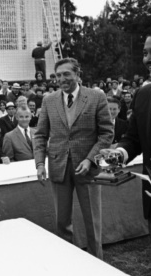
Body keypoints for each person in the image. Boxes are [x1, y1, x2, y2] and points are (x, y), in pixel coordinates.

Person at [100, 23, 151, 276]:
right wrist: (120, 153)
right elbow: (135, 138)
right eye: (145, 53)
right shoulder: (144, 94)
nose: (147, 59)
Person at [33, 58, 113, 259]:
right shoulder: (49, 100)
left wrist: (89, 159)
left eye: (66, 74)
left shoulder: (96, 97)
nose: (62, 79)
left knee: (92, 222)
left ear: (78, 74)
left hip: (88, 170)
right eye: (58, 75)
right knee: (62, 223)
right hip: (59, 168)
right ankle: (67, 264)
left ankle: (97, 265)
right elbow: (41, 135)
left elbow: (106, 134)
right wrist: (40, 163)